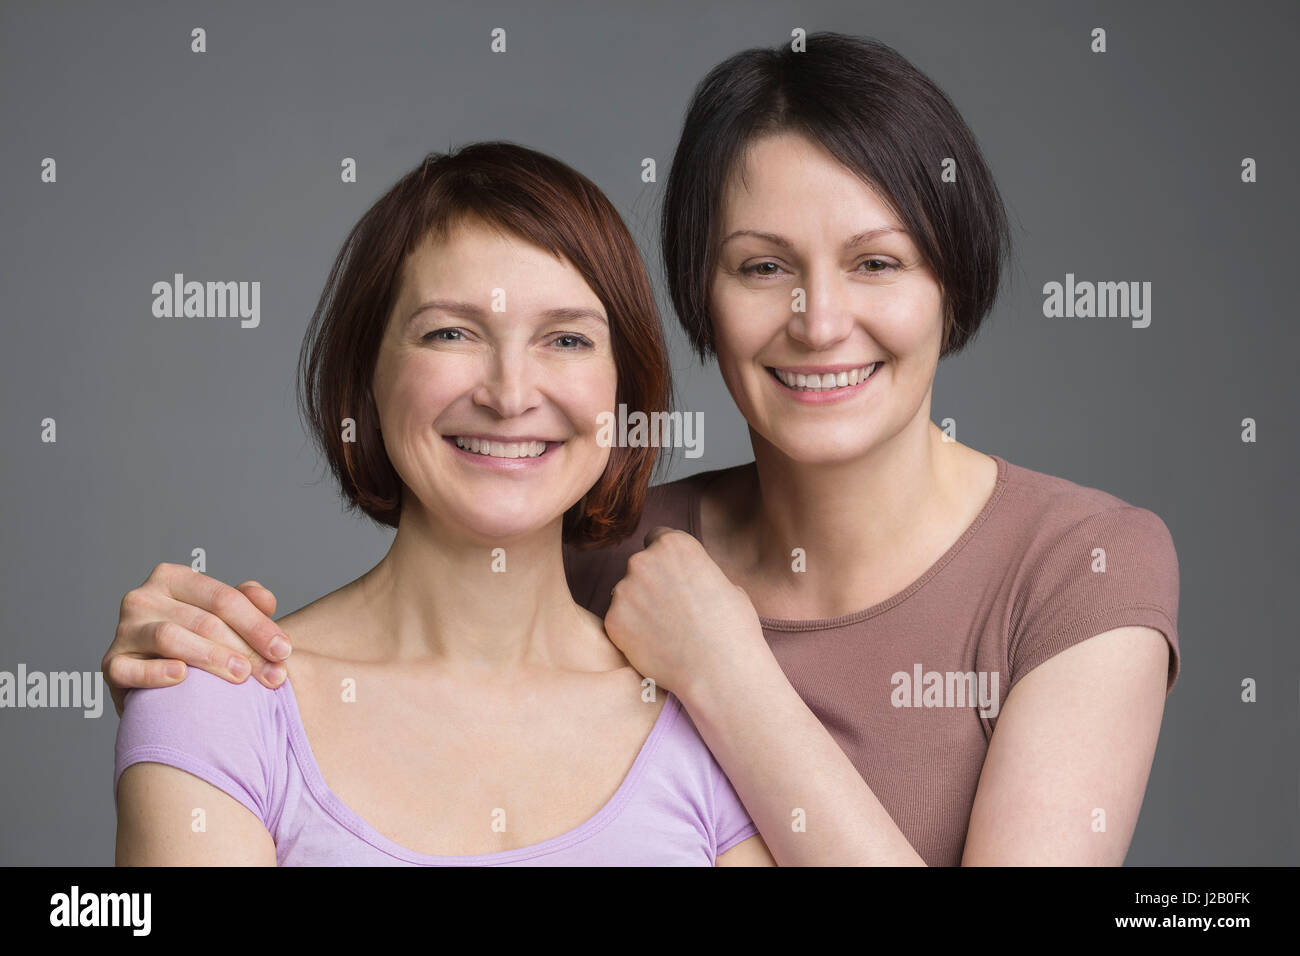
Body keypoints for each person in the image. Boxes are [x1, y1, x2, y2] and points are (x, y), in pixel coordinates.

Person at [106, 34, 1179, 866]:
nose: (817, 319)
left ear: (954, 280)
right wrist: (192, 666)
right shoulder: (603, 548)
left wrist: (730, 674)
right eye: (761, 267)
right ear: (696, 295)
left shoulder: (1080, 565)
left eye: (876, 262)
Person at [114, 141, 775, 866]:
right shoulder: (217, 697)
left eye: (566, 339)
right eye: (451, 333)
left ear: (624, 393)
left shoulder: (711, 723)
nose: (510, 393)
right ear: (366, 375)